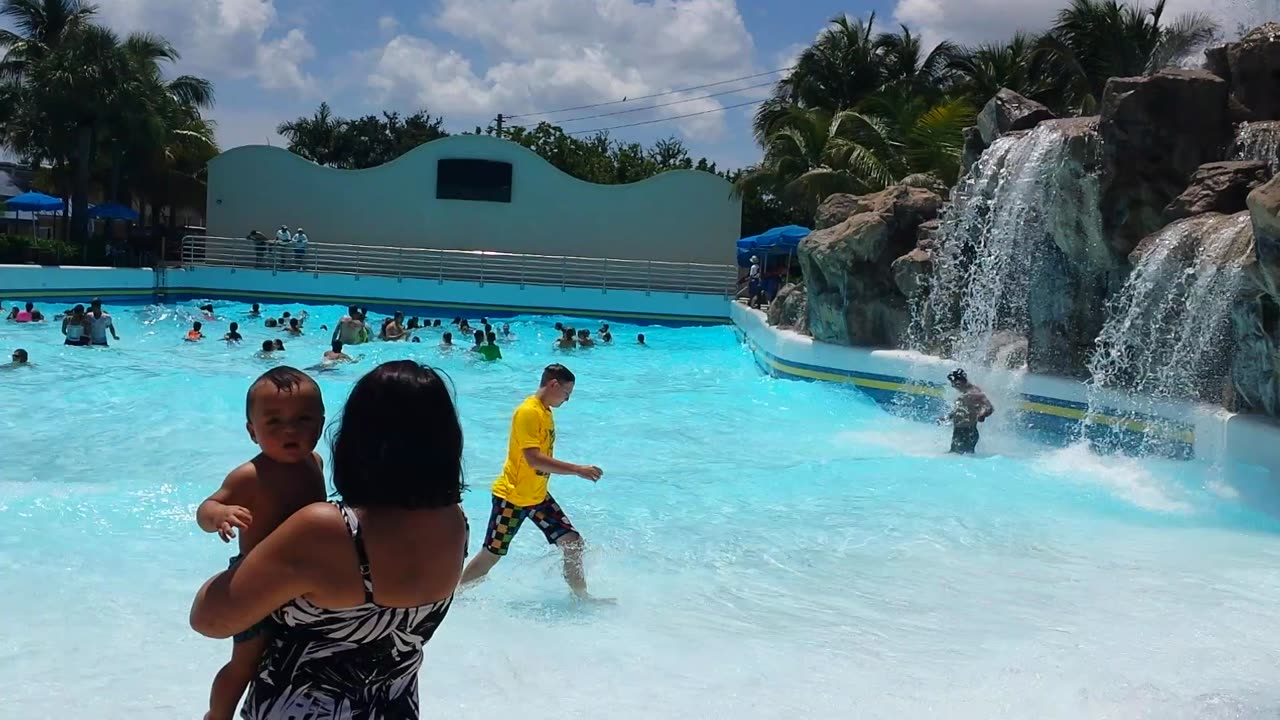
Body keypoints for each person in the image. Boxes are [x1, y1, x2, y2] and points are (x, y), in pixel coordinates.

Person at [190, 361, 468, 720]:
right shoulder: (457, 521)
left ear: (355, 435)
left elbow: (209, 620)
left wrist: (252, 563)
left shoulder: (326, 530)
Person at [194, 367, 327, 720]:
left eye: (303, 419)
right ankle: (217, 715)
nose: (290, 430)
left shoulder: (316, 462)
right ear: (252, 431)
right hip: (256, 578)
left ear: (321, 423)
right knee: (245, 662)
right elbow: (206, 507)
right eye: (274, 422)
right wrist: (219, 515)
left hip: (302, 580)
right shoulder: (250, 475)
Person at [460, 364, 603, 597]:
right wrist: (577, 469)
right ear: (553, 384)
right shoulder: (528, 412)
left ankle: (582, 600)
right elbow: (534, 460)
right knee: (491, 555)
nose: (567, 400)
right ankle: (452, 600)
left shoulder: (545, 411)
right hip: (513, 498)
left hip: (537, 496)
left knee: (573, 543)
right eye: (566, 394)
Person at [945, 368, 994, 454]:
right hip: (959, 431)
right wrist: (948, 417)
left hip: (967, 432)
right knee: (953, 456)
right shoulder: (964, 392)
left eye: (953, 383)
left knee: (957, 458)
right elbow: (962, 409)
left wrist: (982, 415)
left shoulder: (974, 393)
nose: (952, 386)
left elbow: (989, 407)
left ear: (958, 382)